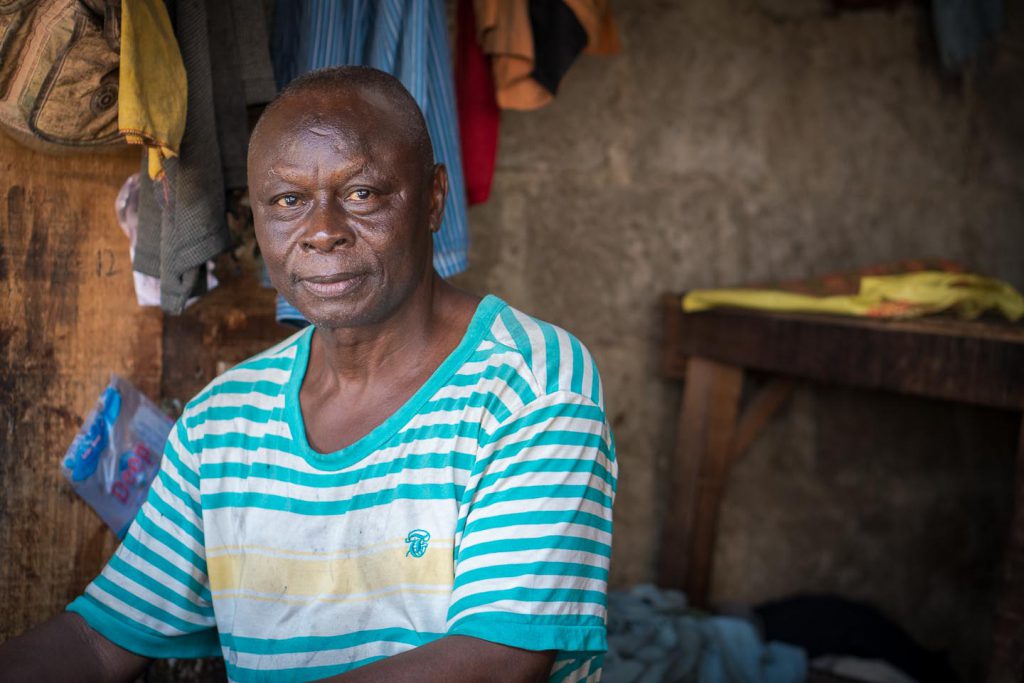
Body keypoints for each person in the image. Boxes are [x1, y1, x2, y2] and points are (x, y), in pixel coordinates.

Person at [0, 66, 616, 682]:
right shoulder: (221, 424)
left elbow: (499, 660)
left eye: (362, 194)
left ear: (433, 198)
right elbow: (100, 640)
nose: (322, 232)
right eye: (289, 202)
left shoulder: (531, 387)